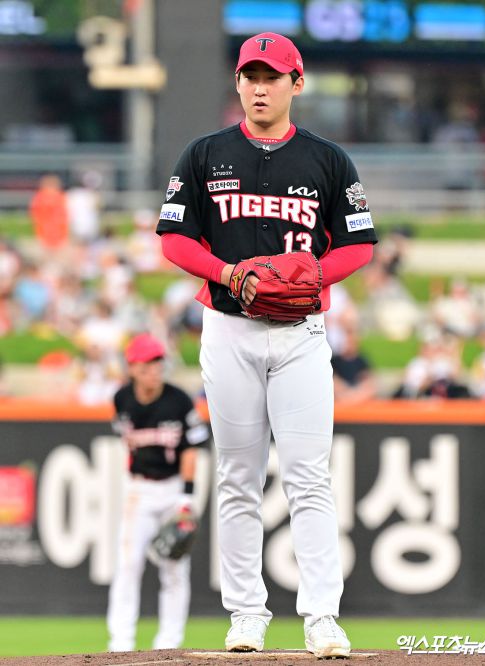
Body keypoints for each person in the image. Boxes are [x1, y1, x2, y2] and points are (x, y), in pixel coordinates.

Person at [156, 32, 377, 657]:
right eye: (250, 76)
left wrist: (311, 275)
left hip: (301, 333)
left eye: (272, 77)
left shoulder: (328, 160)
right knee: (237, 477)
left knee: (308, 478)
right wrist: (228, 273)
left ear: (295, 83)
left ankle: (322, 617)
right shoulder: (205, 154)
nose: (260, 87)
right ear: (237, 82)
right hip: (228, 329)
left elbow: (359, 244)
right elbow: (173, 239)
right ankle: (246, 613)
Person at [106, 333, 210, 652]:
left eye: (157, 363)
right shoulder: (122, 399)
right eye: (146, 364)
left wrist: (186, 498)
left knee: (175, 568)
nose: (153, 370)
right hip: (140, 490)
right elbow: (125, 439)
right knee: (128, 564)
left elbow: (191, 449)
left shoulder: (178, 400)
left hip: (174, 489)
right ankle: (120, 642)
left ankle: (169, 642)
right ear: (132, 368)